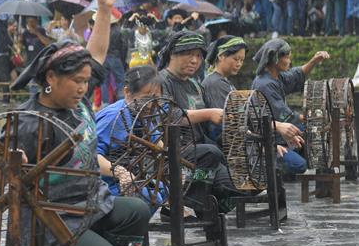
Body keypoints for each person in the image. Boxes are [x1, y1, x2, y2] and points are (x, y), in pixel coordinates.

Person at [0, 0, 151, 246]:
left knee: (137, 210)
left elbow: (98, 54)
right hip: (53, 218)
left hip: (91, 203)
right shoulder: (28, 119)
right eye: (76, 81)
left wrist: (103, 9)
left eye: (85, 81)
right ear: (51, 78)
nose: (82, 87)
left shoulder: (76, 104)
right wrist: (12, 166)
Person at [156, 31, 241, 215]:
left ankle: (205, 205)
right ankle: (183, 203)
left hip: (201, 151)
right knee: (210, 153)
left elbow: (210, 125)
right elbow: (169, 117)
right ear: (173, 54)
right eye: (189, 54)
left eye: (198, 56)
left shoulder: (195, 84)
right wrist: (208, 113)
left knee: (236, 186)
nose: (194, 60)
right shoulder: (161, 81)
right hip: (173, 150)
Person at [251, 39, 329, 177]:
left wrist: (314, 61)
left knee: (313, 132)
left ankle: (295, 151)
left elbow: (296, 75)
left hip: (280, 131)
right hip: (270, 136)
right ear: (275, 60)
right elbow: (283, 115)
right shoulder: (264, 84)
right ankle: (272, 165)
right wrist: (310, 118)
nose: (289, 60)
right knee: (299, 165)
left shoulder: (276, 77)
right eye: (286, 57)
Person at [95, 65, 167, 211]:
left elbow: (157, 144)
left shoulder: (143, 112)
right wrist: (121, 173)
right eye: (146, 98)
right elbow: (92, 156)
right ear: (127, 92)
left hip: (134, 176)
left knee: (165, 190)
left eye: (156, 99)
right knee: (147, 201)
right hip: (106, 182)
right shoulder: (113, 118)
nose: (151, 104)